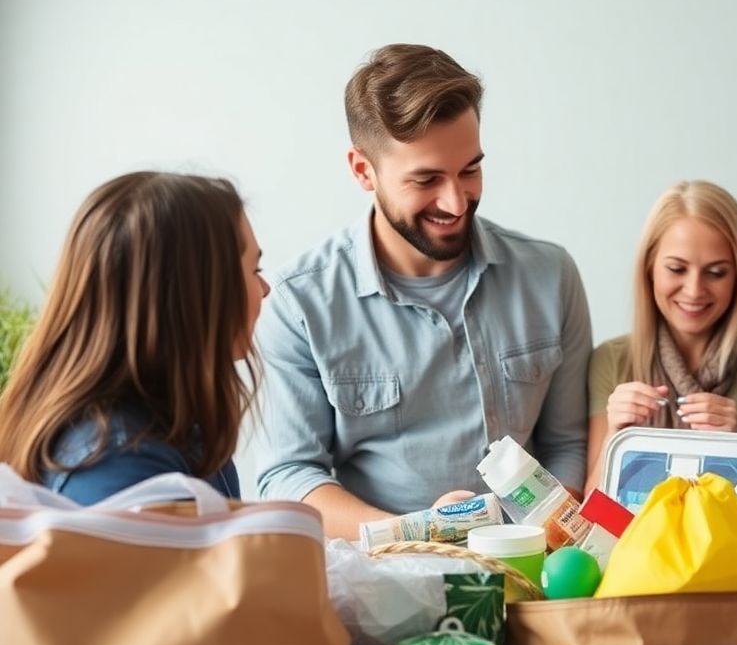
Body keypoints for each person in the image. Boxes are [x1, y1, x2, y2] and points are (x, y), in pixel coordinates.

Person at [252, 44, 591, 539]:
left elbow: (566, 444)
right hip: (384, 581)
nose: (455, 202)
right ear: (362, 170)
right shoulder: (298, 304)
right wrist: (421, 534)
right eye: (426, 179)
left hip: (534, 565)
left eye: (470, 170)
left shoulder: (550, 274)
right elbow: (288, 477)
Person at [0, 172, 269, 504]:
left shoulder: (176, 425)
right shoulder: (121, 463)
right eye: (255, 271)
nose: (266, 289)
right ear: (191, 295)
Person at [585, 180, 737, 491]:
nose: (694, 291)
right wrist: (615, 436)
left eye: (716, 273)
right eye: (676, 269)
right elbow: (587, 517)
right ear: (649, 268)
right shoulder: (611, 359)